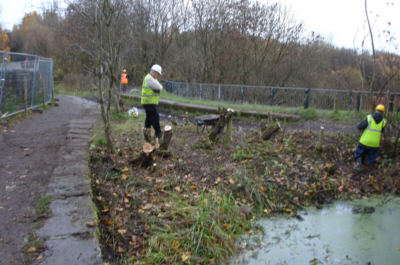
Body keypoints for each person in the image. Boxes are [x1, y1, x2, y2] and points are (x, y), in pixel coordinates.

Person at [354, 104, 386, 171]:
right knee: (372, 157)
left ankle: (358, 165)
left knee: (359, 153)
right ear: (383, 112)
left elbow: (360, 126)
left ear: (375, 110)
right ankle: (371, 170)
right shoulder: (383, 121)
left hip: (364, 141)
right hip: (375, 144)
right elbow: (382, 131)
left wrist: (357, 125)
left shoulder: (369, 118)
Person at [141, 64, 163, 146]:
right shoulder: (149, 79)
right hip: (149, 102)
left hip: (149, 102)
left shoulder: (153, 79)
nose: (158, 76)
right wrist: (158, 89)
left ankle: (146, 135)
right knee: (155, 117)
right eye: (158, 74)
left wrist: (159, 88)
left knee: (149, 119)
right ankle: (158, 133)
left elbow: (159, 87)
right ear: (154, 72)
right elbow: (159, 88)